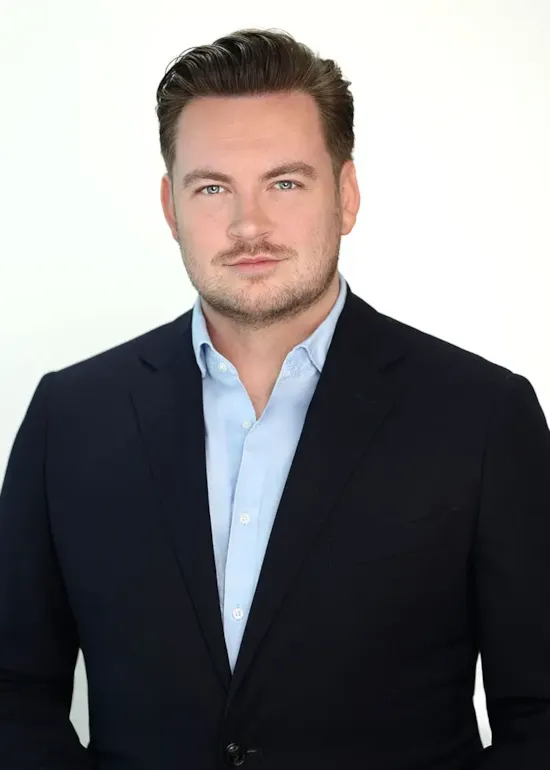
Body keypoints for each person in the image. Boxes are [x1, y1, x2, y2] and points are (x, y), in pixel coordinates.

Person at [0, 27, 549, 770]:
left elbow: (538, 714)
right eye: (213, 187)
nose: (248, 226)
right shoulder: (69, 418)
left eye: (285, 183)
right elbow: (15, 692)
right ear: (170, 205)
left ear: (346, 196)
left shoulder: (483, 418)